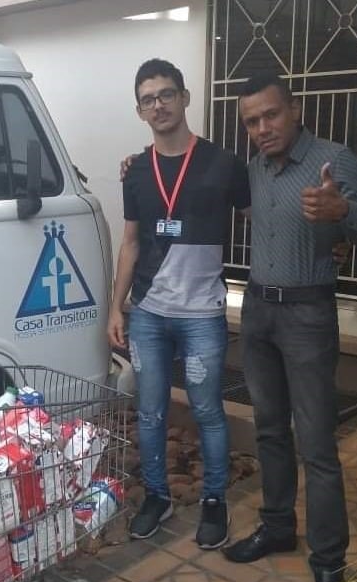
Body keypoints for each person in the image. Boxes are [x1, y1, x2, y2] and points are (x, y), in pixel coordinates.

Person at [223, 73, 357, 582]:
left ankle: (329, 566)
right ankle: (277, 526)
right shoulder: (253, 169)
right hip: (258, 313)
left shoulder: (333, 160)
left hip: (308, 315)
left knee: (317, 446)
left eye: (271, 115)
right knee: (270, 429)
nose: (262, 128)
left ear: (293, 110)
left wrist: (342, 213)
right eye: (252, 121)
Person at [107, 58, 250, 547]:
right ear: (140, 110)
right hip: (148, 313)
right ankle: (157, 497)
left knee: (209, 411)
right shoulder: (136, 171)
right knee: (149, 414)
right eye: (149, 99)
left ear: (185, 98)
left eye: (167, 94)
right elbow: (130, 242)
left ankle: (214, 501)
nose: (159, 105)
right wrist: (115, 307)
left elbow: (261, 216)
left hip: (203, 314)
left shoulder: (224, 164)